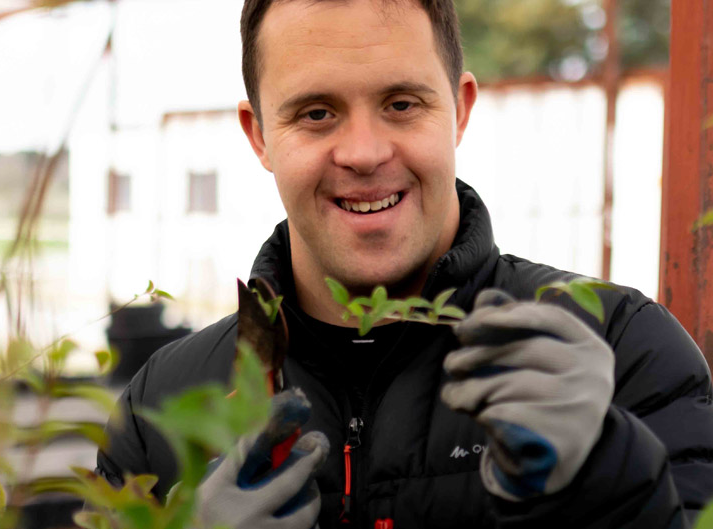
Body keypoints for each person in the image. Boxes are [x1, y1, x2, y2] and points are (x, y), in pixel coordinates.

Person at [96, 0, 713, 527]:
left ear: (461, 110)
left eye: (401, 104)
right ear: (258, 135)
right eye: (316, 113)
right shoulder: (159, 406)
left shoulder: (626, 350)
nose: (364, 153)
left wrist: (606, 475)